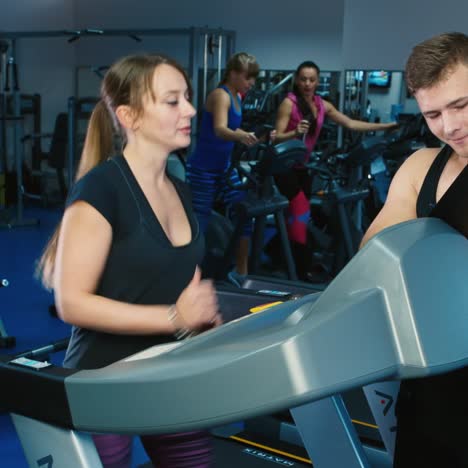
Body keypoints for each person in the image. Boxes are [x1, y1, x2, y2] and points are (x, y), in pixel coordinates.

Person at [36, 53, 221, 468]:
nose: (190, 109)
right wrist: (175, 317)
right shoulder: (101, 190)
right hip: (105, 381)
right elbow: (72, 303)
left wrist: (204, 322)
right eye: (172, 101)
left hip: (171, 373)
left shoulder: (179, 188)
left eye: (187, 98)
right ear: (130, 116)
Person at [360, 32, 468, 467]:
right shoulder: (423, 166)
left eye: (461, 106)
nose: (449, 126)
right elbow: (372, 260)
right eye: (433, 114)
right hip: (431, 380)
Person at [273, 60, 397, 279]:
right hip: (284, 167)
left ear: (318, 81)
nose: (307, 84)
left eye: (312, 79)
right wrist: (294, 133)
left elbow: (350, 123)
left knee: (297, 216)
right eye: (303, 79)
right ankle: (299, 269)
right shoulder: (288, 104)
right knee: (300, 210)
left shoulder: (322, 105)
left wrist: (385, 126)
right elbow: (276, 138)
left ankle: (282, 258)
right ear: (297, 80)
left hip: (303, 169)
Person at [186, 52, 260, 284]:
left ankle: (241, 272)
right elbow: (220, 129)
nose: (251, 83)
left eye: (253, 78)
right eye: (248, 77)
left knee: (244, 213)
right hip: (203, 170)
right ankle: (187, 278)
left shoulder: (237, 96)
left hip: (224, 168)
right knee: (200, 223)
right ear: (233, 73)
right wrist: (241, 135)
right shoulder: (221, 95)